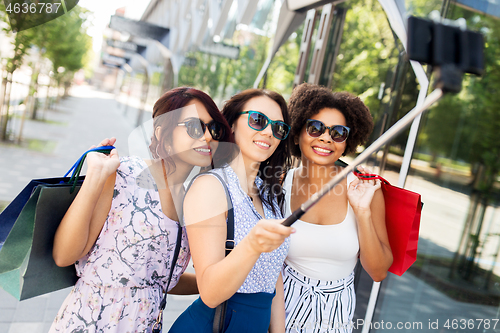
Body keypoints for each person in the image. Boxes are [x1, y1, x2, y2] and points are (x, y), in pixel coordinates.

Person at [49, 87, 234, 333]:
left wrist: (222, 279)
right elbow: (64, 255)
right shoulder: (124, 174)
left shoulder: (192, 199)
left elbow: (157, 279)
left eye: (214, 129)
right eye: (194, 127)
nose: (208, 137)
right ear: (162, 131)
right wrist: (95, 175)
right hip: (92, 322)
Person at [169, 89, 294, 333]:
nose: (268, 131)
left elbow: (273, 274)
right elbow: (210, 292)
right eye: (258, 120)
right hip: (215, 325)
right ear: (233, 125)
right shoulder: (211, 187)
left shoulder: (270, 195)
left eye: (278, 128)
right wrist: (252, 245)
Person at [282, 83, 393, 333]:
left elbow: (378, 271)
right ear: (299, 132)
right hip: (280, 306)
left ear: (347, 142)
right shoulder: (280, 183)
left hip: (335, 313)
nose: (325, 138)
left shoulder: (365, 189)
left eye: (338, 132)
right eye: (315, 128)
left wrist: (362, 212)